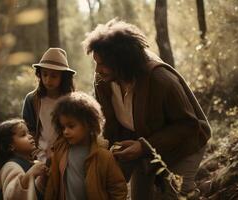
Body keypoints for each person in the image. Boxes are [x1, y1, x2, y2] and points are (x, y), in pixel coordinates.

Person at [82, 19, 211, 199]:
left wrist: (144, 146)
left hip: (185, 144)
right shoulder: (104, 81)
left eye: (103, 64)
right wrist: (108, 152)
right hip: (143, 142)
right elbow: (111, 122)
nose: (97, 70)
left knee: (174, 194)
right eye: (96, 63)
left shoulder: (161, 80)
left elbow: (188, 126)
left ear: (122, 61)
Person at [45, 92, 127, 200]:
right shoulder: (60, 151)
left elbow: (118, 189)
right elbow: (52, 186)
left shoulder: (103, 157)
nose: (65, 131)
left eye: (71, 126)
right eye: (63, 127)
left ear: (88, 124)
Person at [22, 48, 76, 163]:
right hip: (38, 157)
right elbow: (28, 130)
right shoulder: (32, 99)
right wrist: (35, 153)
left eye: (54, 76)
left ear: (63, 77)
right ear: (39, 74)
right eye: (44, 74)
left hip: (65, 156)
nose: (48, 80)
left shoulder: (71, 101)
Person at [0, 118, 48, 200]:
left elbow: (35, 191)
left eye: (28, 132)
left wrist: (43, 177)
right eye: (23, 135)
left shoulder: (31, 163)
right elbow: (12, 195)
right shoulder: (10, 166)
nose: (30, 136)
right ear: (10, 146)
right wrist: (31, 174)